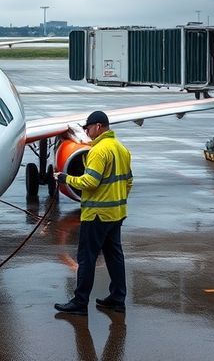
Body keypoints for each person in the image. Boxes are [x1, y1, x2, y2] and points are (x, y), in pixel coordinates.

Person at [53, 110, 132, 316]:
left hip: (97, 215)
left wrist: (66, 179)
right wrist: (116, 199)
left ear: (98, 126)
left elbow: (90, 182)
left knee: (86, 259)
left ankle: (80, 303)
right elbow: (129, 181)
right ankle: (117, 299)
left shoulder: (97, 151)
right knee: (115, 256)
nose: (86, 132)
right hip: (116, 213)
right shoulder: (121, 149)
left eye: (88, 128)